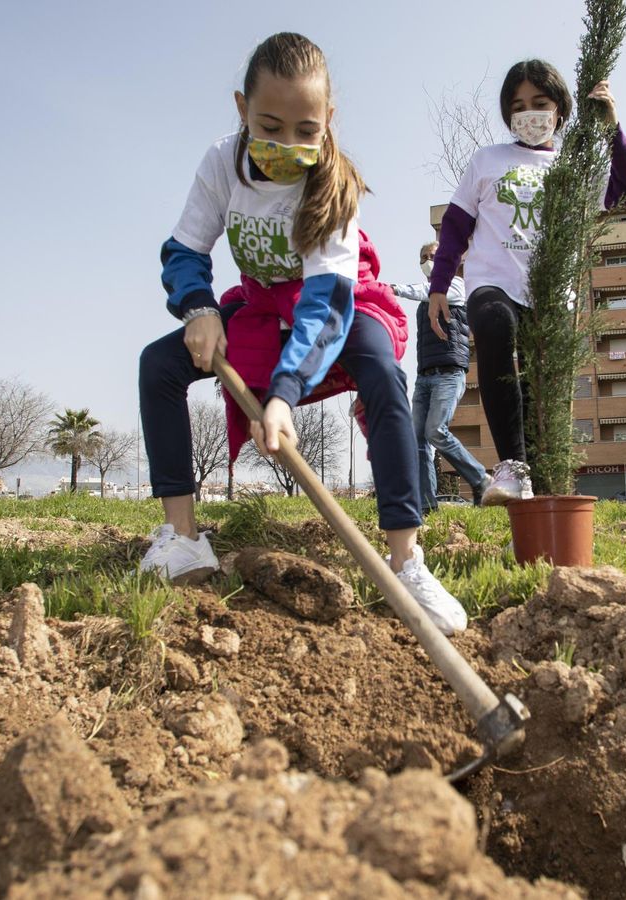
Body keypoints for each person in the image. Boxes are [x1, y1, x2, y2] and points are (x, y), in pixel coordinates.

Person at [138, 32, 466, 633]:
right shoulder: (221, 164)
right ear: (241, 109)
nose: (289, 145)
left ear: (329, 121)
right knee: (157, 365)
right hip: (261, 309)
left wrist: (285, 393)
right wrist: (198, 309)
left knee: (382, 372)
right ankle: (183, 538)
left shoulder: (332, 186)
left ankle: (405, 560)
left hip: (339, 304)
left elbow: (325, 305)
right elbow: (183, 249)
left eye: (306, 130)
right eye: (270, 125)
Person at [427, 59, 626, 505]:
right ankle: (510, 468)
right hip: (493, 282)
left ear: (559, 110)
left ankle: (537, 491)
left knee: (537, 391)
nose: (529, 113)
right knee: (493, 326)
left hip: (550, 294)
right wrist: (438, 286)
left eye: (539, 104)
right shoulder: (488, 160)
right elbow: (455, 225)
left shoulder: (576, 165)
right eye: (518, 105)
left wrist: (612, 130)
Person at [391, 241, 487, 510]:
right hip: (424, 377)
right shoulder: (425, 303)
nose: (428, 260)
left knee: (435, 430)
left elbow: (429, 290)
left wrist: (395, 289)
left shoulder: (455, 286)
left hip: (449, 373)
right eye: (423, 257)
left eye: (433, 256)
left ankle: (480, 479)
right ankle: (426, 505)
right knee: (419, 441)